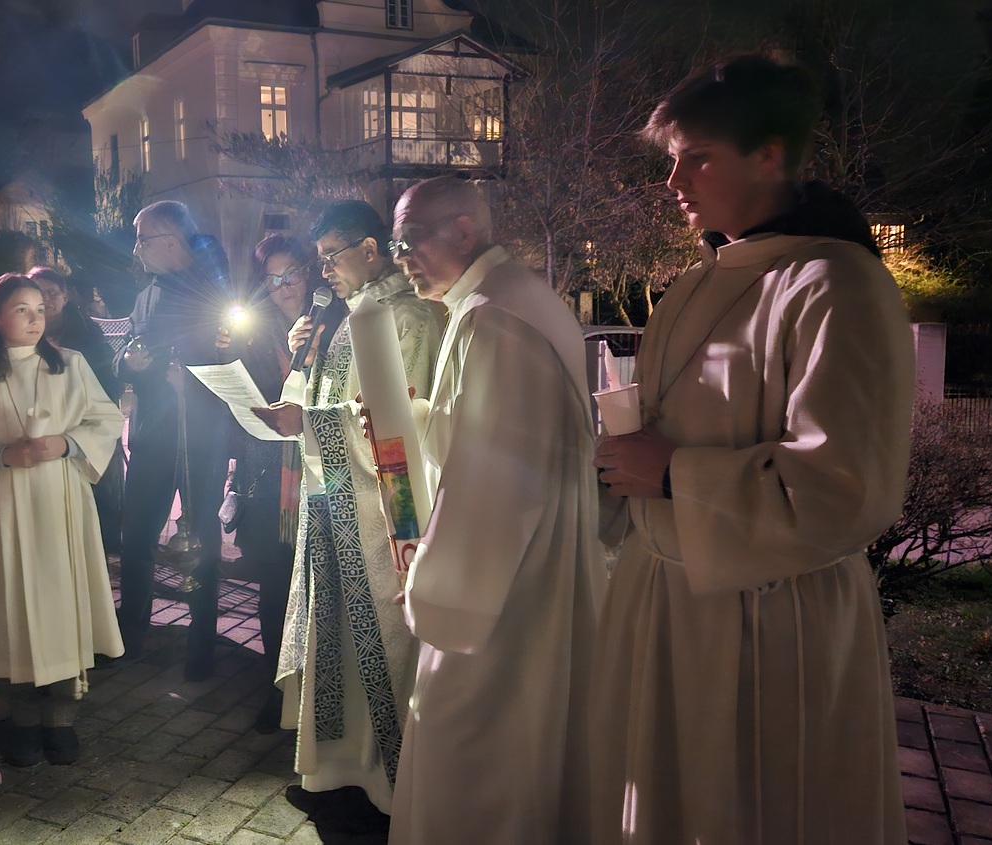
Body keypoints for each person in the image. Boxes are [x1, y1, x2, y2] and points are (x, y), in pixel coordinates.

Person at [589, 55, 912, 845]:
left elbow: (846, 489)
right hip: (664, 601)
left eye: (696, 158)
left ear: (770, 155)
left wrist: (673, 472)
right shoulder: (695, 282)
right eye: (672, 160)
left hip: (771, 622)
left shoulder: (836, 285)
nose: (673, 182)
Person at [381, 177, 605, 844]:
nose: (400, 257)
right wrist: (416, 414)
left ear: (464, 230)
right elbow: (489, 437)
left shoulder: (494, 317)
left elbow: (496, 484)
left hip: (505, 586)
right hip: (528, 562)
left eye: (409, 239)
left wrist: (435, 583)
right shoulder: (504, 298)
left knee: (471, 742)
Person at [253, 200, 445, 817]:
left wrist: (308, 423)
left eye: (331, 256)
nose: (324, 271)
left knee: (380, 645)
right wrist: (301, 371)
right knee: (332, 639)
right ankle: (334, 774)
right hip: (334, 497)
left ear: (369, 249)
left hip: (382, 512)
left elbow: (398, 424)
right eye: (320, 260)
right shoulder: (350, 314)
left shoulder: (408, 317)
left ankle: (385, 786)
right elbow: (333, 396)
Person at [0, 273, 124, 765]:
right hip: (0, 507)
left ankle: (60, 720)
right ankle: (20, 722)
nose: (36, 319)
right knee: (9, 609)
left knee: (60, 608)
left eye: (40, 309)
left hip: (60, 505)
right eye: (22, 310)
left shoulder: (70, 364)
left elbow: (106, 418)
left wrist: (66, 443)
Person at [116, 200, 239, 681]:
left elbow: (237, 359)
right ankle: (131, 635)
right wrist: (131, 363)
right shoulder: (145, 295)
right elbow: (125, 352)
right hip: (150, 436)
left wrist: (193, 382)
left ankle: (201, 645)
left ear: (169, 241)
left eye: (142, 239)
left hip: (201, 436)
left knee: (201, 538)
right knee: (136, 538)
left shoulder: (216, 287)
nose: (137, 249)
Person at [214, 235, 310, 733]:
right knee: (273, 581)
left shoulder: (331, 321)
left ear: (309, 271)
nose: (284, 286)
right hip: (267, 468)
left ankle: (313, 690)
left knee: (311, 580)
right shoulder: (254, 334)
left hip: (316, 466)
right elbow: (239, 400)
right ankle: (278, 688)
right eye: (272, 279)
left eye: (291, 273)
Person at [32, 267, 125, 555]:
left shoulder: (87, 335)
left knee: (94, 503)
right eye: (38, 293)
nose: (46, 300)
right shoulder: (19, 334)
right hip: (39, 435)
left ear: (65, 296)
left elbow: (109, 385)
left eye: (52, 293)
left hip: (81, 431)